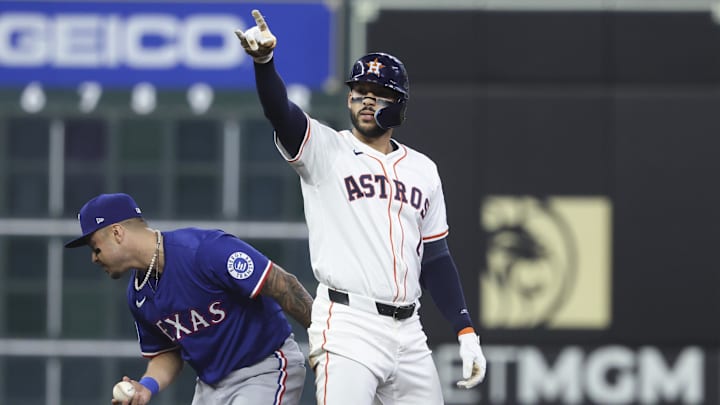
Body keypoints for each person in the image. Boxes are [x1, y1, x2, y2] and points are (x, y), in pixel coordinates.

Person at [235, 9, 487, 405]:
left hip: (409, 331)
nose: (367, 98)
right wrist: (264, 65)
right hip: (348, 322)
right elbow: (279, 113)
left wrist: (465, 329)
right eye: (360, 90)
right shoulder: (327, 149)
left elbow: (436, 259)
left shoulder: (423, 170)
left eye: (379, 92)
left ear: (400, 103)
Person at [64, 192, 313, 405]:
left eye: (95, 247)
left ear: (117, 233)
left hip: (264, 369)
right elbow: (168, 352)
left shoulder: (203, 250)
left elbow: (283, 285)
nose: (94, 258)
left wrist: (327, 340)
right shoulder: (138, 295)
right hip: (210, 386)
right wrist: (146, 387)